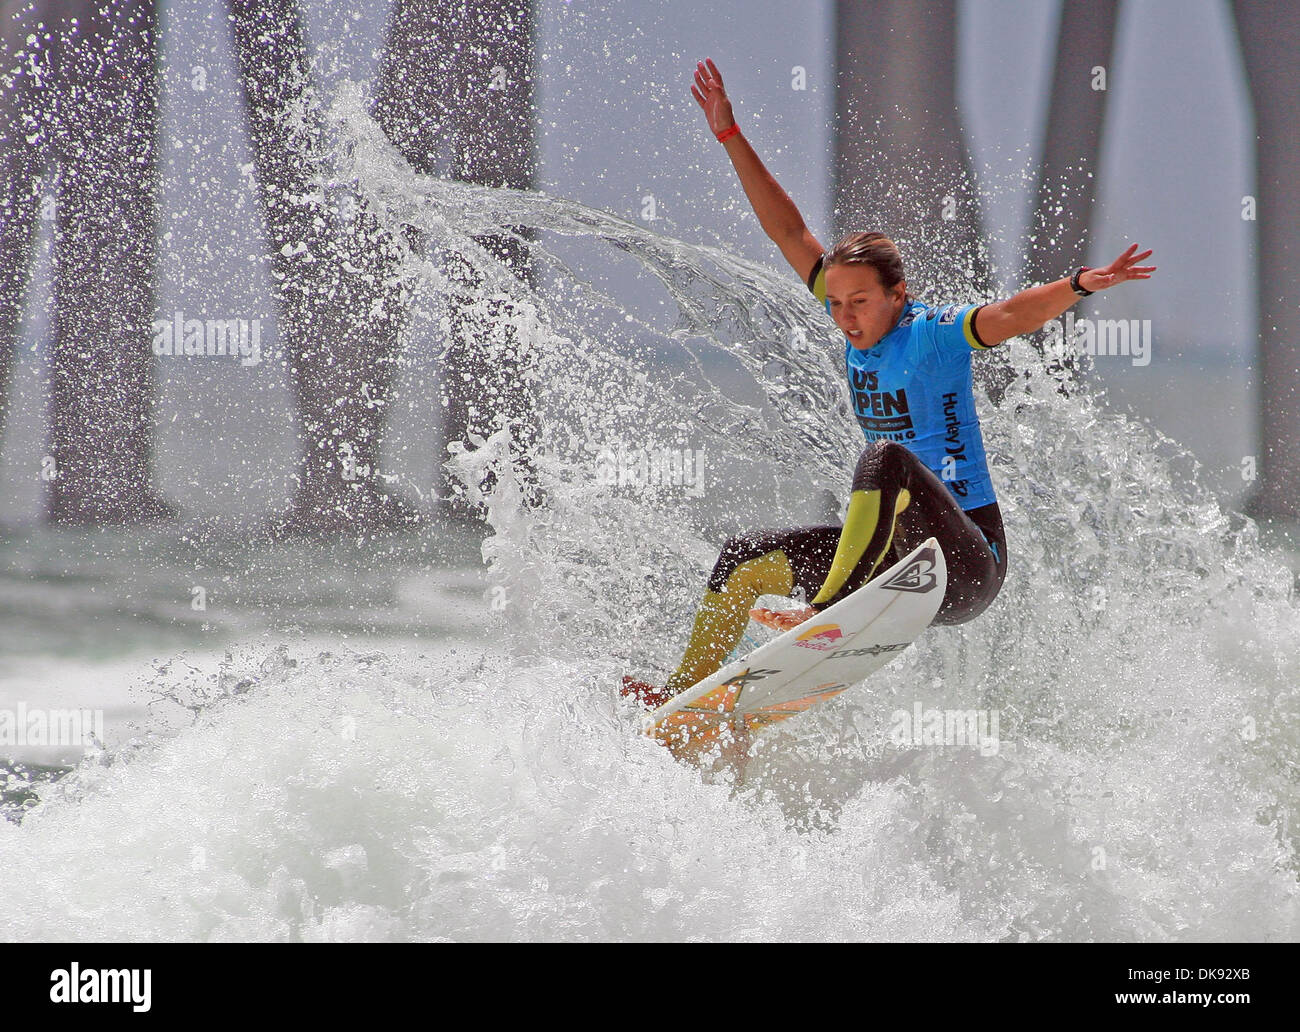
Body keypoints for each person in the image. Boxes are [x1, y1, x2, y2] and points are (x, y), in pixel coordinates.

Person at [622, 58, 1155, 712]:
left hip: (964, 565)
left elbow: (1012, 315)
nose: (846, 317)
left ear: (899, 295)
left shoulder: (932, 333)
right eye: (836, 303)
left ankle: (823, 611)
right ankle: (682, 700)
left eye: (862, 303)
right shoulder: (850, 317)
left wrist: (1078, 285)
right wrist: (731, 136)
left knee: (883, 460)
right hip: (888, 563)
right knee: (742, 559)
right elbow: (787, 230)